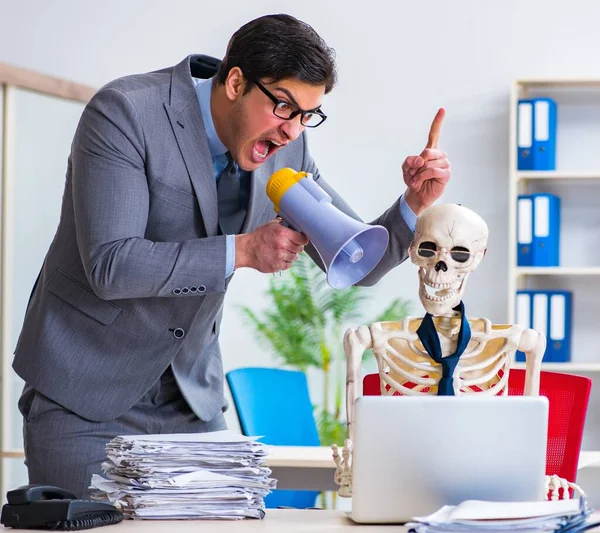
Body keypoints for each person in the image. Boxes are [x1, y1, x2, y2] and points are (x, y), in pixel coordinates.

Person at [13, 13, 451, 499]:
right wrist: (243, 249)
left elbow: (354, 260)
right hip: (84, 397)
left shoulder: (289, 150)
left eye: (308, 114)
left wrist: (413, 203)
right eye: (284, 106)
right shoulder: (126, 113)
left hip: (191, 403)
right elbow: (111, 265)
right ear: (236, 81)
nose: (293, 131)